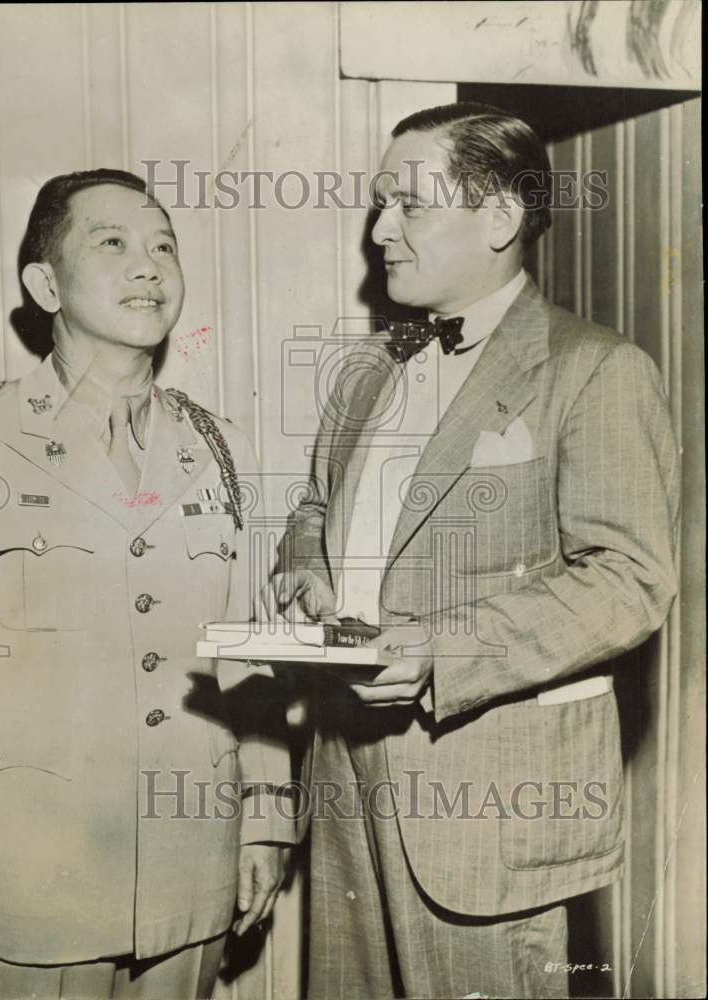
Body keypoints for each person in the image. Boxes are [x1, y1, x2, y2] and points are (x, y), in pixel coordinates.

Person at [273, 104, 680, 999]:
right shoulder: (367, 369)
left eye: (408, 206)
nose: (380, 232)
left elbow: (631, 581)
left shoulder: (598, 370)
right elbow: (314, 506)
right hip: (346, 780)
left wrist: (441, 652)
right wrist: (305, 571)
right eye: (380, 206)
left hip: (487, 804)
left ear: (499, 219)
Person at [0, 168, 294, 999]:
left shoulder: (224, 449)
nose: (148, 266)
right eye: (111, 243)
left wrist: (265, 819)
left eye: (163, 246)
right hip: (31, 883)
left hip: (193, 870)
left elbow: (252, 650)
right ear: (45, 284)